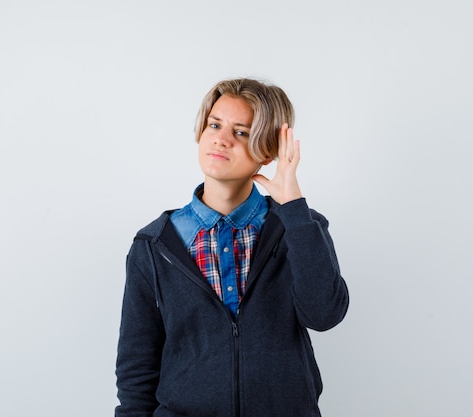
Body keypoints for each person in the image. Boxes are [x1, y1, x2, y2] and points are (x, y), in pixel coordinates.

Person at [115, 78, 349, 417]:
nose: (221, 139)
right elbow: (137, 368)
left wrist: (293, 209)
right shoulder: (154, 245)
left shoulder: (298, 228)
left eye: (241, 132)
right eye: (214, 124)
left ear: (267, 152)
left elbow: (324, 314)